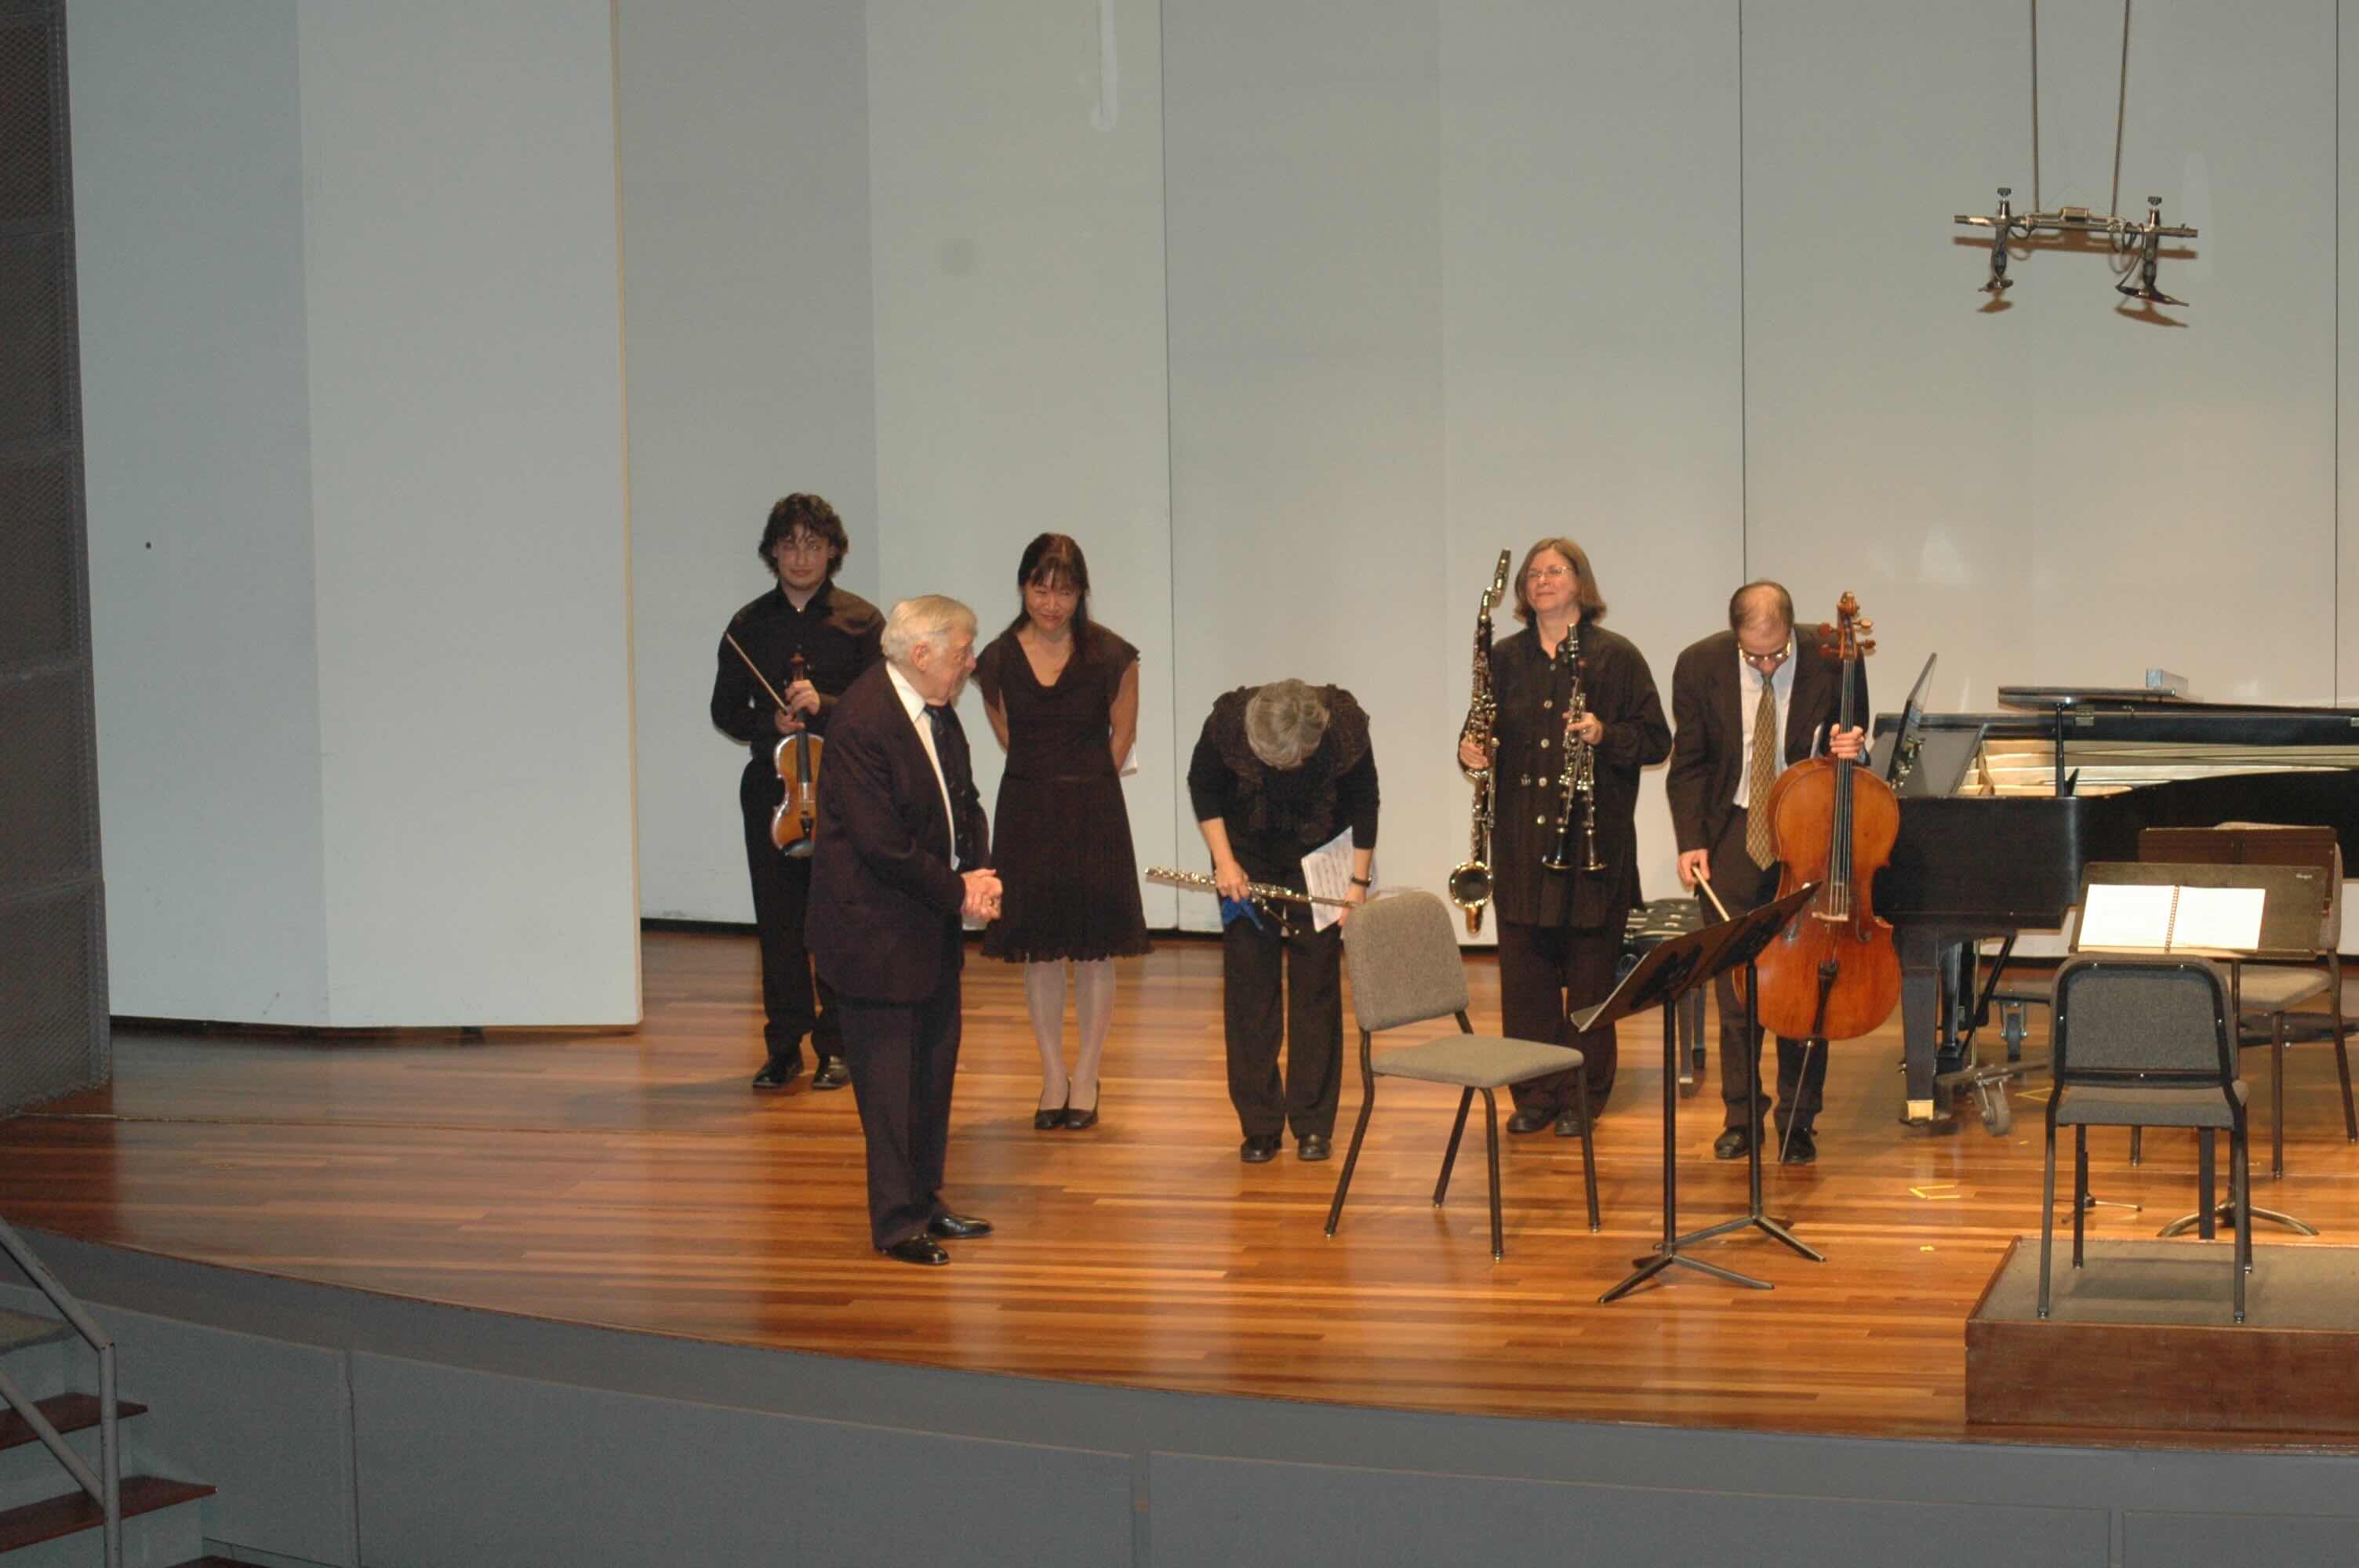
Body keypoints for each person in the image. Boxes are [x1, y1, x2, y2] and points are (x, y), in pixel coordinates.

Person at [805, 596, 1001, 1265]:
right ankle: (895, 1223)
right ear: (922, 654)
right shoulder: (864, 720)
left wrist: (978, 870)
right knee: (890, 1085)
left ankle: (924, 1198)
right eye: (963, 652)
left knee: (932, 1072)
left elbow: (964, 801)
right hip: (872, 935)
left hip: (925, 926)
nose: (971, 664)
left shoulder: (939, 710)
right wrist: (959, 890)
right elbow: (880, 843)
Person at [1457, 539, 1670, 1137]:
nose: (1541, 580)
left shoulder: (1617, 657)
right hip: (1521, 845)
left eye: (1554, 571)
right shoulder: (1503, 657)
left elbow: (1657, 740)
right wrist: (1470, 750)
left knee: (1590, 978)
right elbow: (1479, 730)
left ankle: (1583, 1093)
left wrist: (1605, 734)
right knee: (1526, 981)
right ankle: (1534, 1093)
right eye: (1532, 573)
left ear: (1581, 582)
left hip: (1591, 846)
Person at [1665, 581, 1867, 1166]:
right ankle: (1740, 1118)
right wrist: (1691, 841)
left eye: (1777, 654)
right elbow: (1689, 764)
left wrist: (1852, 748)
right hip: (1732, 831)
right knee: (1735, 985)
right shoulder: (1698, 664)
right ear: (1735, 636)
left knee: (1807, 982)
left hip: (1808, 832)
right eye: (1753, 657)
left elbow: (1854, 750)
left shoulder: (1834, 656)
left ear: (1791, 630)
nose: (1767, 665)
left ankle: (1799, 1122)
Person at [974, 535, 1151, 1132]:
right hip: (1026, 809)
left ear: (1082, 594)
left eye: (1065, 592)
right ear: (1023, 587)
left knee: (1096, 948)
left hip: (1094, 810)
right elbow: (1008, 736)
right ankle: (1053, 1075)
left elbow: (1123, 736)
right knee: (1040, 948)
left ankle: (1088, 1073)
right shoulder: (996, 658)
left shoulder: (1113, 655)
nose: (1051, 604)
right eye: (1040, 589)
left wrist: (1085, 785)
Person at [709, 494, 883, 1093]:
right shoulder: (748, 626)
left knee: (836, 917)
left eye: (813, 544)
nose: (801, 557)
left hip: (841, 787)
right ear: (773, 552)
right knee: (778, 920)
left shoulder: (863, 622)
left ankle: (838, 1046)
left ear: (833, 550)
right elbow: (724, 710)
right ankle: (784, 1046)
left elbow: (883, 707)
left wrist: (826, 705)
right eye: (790, 545)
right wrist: (771, 722)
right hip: (773, 787)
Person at [1187, 680, 1377, 1163]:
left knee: (1317, 984)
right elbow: (1203, 789)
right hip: (1244, 858)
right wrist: (1225, 863)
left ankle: (1313, 1124)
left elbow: (1365, 803)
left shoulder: (1344, 727)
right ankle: (1260, 1125)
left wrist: (1357, 884)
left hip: (1322, 858)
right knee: (1249, 985)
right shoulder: (1227, 725)